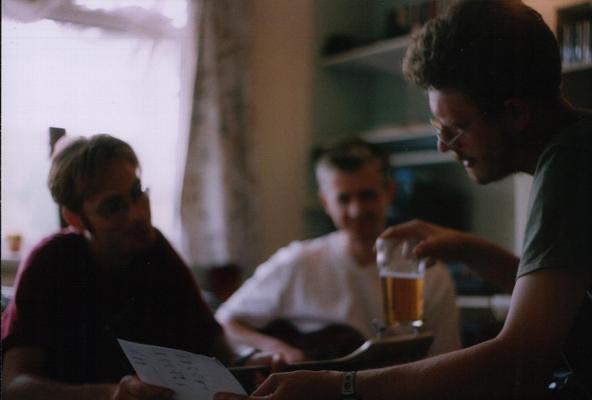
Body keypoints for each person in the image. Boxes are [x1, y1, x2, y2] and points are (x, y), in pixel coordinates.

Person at [214, 0, 592, 399]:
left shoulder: (570, 163)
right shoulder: (578, 145)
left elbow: (518, 363)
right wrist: (466, 248)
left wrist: (341, 386)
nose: (444, 146)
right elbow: (573, 316)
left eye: (454, 130)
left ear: (515, 113)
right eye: (437, 129)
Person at [1, 134, 271, 400]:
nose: (137, 215)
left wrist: (252, 360)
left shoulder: (155, 249)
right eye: (112, 207)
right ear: (75, 219)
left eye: (137, 193)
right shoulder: (47, 262)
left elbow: (219, 347)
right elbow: (13, 385)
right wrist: (109, 394)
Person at [215, 137, 461, 363]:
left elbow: (446, 359)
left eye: (367, 196)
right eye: (344, 199)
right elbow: (225, 321)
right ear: (326, 202)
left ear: (389, 192)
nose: (356, 210)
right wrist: (277, 349)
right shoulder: (296, 262)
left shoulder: (430, 272)